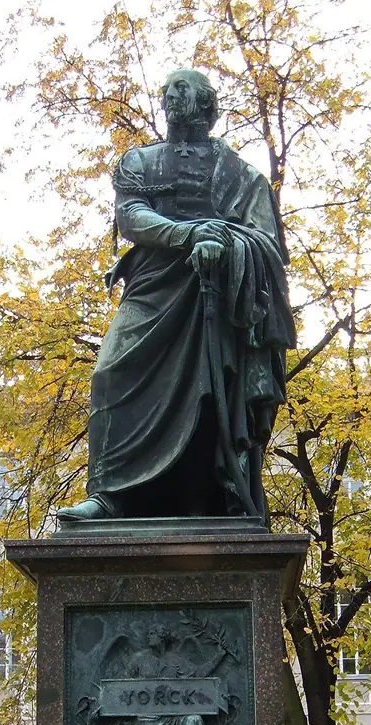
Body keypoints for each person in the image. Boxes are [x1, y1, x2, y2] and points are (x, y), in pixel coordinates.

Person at [57, 68, 295, 522]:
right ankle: (108, 494)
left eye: (181, 91)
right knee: (109, 373)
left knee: (211, 394)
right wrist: (189, 235)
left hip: (218, 296)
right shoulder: (139, 163)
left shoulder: (243, 177)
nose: (169, 97)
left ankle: (211, 500)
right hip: (153, 288)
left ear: (207, 105)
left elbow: (266, 242)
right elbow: (131, 216)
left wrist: (225, 243)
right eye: (167, 91)